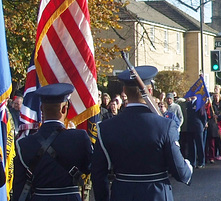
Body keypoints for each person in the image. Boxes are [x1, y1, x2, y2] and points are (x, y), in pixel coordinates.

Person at [92, 66, 192, 201]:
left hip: (122, 193)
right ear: (149, 90)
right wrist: (188, 168)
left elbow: (98, 174)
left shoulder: (105, 128)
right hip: (156, 194)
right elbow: (180, 172)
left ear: (124, 91)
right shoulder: (165, 126)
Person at [13, 83, 92, 201]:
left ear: (41, 109)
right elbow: (88, 168)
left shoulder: (24, 144)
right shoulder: (80, 138)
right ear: (65, 108)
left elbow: (19, 188)